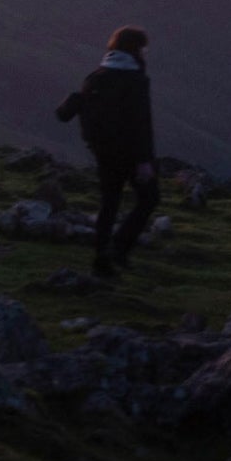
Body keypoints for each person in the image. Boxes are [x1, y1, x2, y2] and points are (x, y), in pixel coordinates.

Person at [55, 25, 157, 280]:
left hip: (103, 151)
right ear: (137, 49)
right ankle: (120, 248)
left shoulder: (97, 75)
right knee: (149, 198)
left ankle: (101, 261)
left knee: (109, 203)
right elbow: (141, 122)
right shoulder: (135, 79)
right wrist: (144, 160)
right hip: (131, 152)